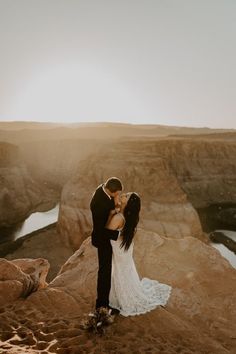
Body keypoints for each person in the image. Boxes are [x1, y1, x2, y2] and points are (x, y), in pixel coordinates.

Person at [106, 192, 172, 316]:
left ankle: (121, 295)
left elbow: (105, 233)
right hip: (124, 249)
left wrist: (110, 214)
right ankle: (123, 291)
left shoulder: (119, 217)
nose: (123, 194)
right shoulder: (126, 216)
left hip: (119, 249)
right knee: (124, 269)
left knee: (120, 270)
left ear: (129, 203)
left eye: (126, 196)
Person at [90, 177, 123, 313]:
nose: (119, 196)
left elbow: (112, 209)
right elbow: (101, 230)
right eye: (118, 193)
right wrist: (118, 235)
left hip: (104, 235)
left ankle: (104, 302)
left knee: (107, 271)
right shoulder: (100, 204)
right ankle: (102, 305)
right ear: (112, 191)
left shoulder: (103, 189)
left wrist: (115, 207)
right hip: (102, 239)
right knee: (104, 272)